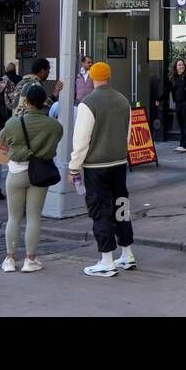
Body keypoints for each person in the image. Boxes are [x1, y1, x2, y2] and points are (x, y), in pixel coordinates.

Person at [68, 62, 136, 277]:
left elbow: (81, 140)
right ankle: (127, 253)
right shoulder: (123, 100)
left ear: (93, 77)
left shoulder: (88, 103)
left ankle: (107, 259)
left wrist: (73, 168)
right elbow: (128, 133)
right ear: (109, 76)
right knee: (121, 206)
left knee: (100, 210)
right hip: (118, 162)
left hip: (96, 165)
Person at [0, 84, 64, 273]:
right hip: (40, 173)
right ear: (44, 102)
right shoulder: (54, 125)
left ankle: (10, 259)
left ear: (26, 102)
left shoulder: (14, 123)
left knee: (14, 217)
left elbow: (3, 139)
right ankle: (30, 259)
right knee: (34, 216)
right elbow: (56, 140)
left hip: (16, 172)